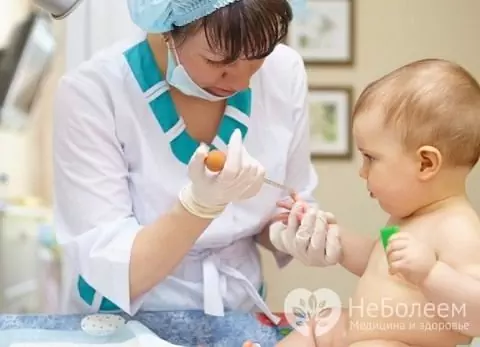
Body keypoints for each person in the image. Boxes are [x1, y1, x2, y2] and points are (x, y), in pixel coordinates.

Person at [52, 0, 343, 322]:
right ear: (168, 30)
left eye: (257, 59)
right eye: (218, 60)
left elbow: (285, 201)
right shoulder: (93, 92)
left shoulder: (284, 71)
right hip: (123, 321)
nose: (241, 82)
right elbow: (116, 269)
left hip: (236, 313)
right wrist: (198, 208)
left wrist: (286, 234)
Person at [268, 59, 480, 346]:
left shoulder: (458, 228)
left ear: (426, 163)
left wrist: (431, 273)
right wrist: (334, 237)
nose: (362, 171)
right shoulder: (409, 217)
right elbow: (377, 263)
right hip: (357, 333)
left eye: (371, 158)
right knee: (322, 323)